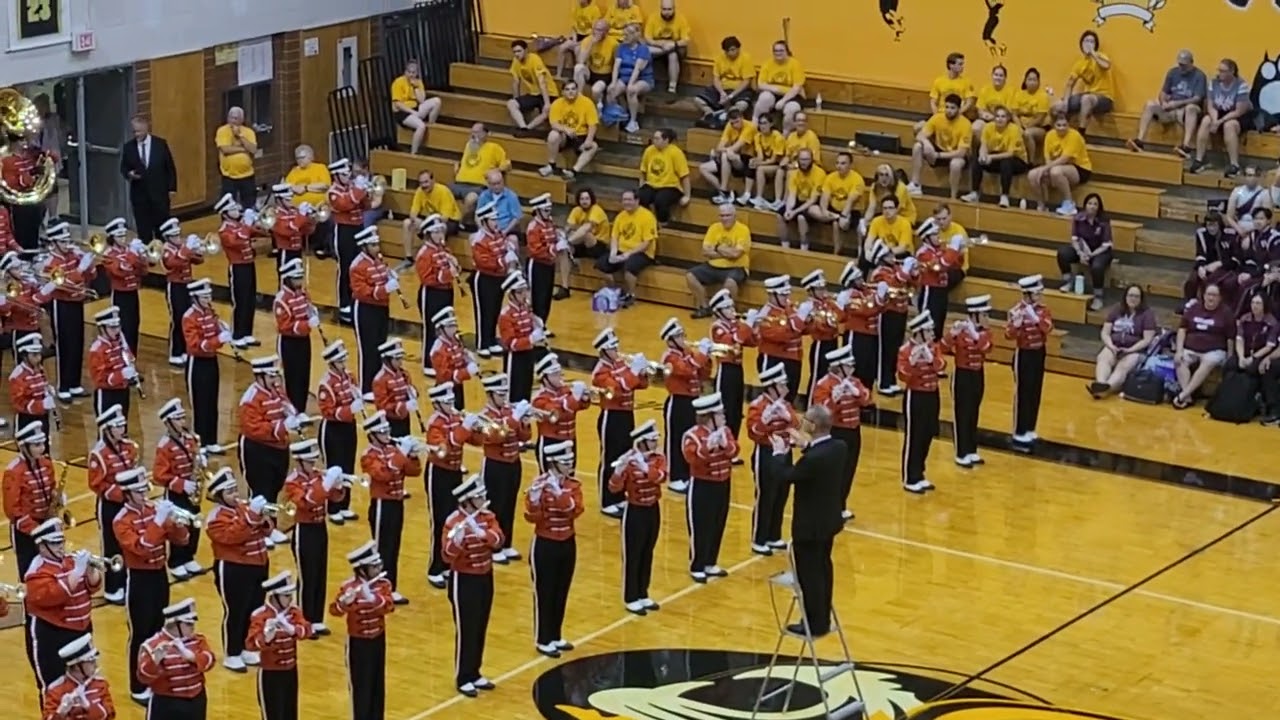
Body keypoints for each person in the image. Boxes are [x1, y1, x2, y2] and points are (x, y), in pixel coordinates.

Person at [114, 467, 192, 703]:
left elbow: (182, 540)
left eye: (143, 490)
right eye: (138, 492)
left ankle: (155, 676)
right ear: (127, 494)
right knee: (141, 633)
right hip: (139, 578)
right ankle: (137, 685)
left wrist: (177, 523)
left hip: (159, 574)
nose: (144, 495)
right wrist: (159, 522)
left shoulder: (152, 510)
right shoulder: (121, 520)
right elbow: (142, 547)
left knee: (159, 629)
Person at [767, 405, 845, 636]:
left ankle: (814, 624)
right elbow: (820, 453)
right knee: (823, 568)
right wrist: (806, 445)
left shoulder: (812, 460)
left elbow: (785, 477)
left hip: (809, 527)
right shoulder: (839, 447)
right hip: (829, 522)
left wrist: (780, 454)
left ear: (812, 425)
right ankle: (822, 616)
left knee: (809, 575)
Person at [204, 468, 272, 672]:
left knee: (254, 608)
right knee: (236, 611)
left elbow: (267, 530)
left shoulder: (243, 508)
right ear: (219, 496)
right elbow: (232, 537)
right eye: (229, 492)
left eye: (235, 490)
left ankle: (247, 646)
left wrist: (263, 517)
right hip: (234, 568)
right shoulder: (215, 517)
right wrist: (252, 517)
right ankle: (232, 652)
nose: (235, 495)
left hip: (258, 563)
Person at [23, 518, 101, 694]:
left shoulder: (71, 562)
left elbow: (92, 587)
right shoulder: (36, 572)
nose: (61, 547)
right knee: (54, 687)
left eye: (61, 542)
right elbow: (56, 595)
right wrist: (77, 572)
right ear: (42, 547)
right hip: (54, 634)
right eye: (55, 543)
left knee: (85, 683)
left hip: (81, 630)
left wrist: (91, 571)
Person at [443, 475, 503, 697]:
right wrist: (457, 540)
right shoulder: (452, 522)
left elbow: (499, 540)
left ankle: (475, 671)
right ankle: (463, 676)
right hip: (464, 580)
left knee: (480, 625)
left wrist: (481, 533)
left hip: (485, 576)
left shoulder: (487, 517)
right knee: (466, 628)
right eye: (478, 497)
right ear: (467, 501)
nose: (483, 499)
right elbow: (447, 556)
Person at [524, 441, 583, 657]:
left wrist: (558, 492)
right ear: (553, 464)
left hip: (567, 541)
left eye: (570, 461)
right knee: (544, 592)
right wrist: (534, 498)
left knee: (561, 590)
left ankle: (556, 635)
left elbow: (575, 510)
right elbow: (532, 517)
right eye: (565, 462)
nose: (569, 465)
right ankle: (542, 638)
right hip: (545, 543)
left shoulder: (572, 485)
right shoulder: (539, 483)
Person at [361, 411, 425, 603]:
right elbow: (383, 474)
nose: (387, 435)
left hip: (396, 501)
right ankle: (376, 587)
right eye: (382, 432)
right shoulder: (369, 454)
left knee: (393, 545)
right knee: (381, 548)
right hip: (382, 503)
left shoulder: (392, 450)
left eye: (387, 431)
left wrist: (412, 456)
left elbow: (414, 472)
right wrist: (401, 455)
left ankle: (390, 586)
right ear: (372, 434)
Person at [238, 356, 305, 539]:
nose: (275, 380)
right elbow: (252, 428)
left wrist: (293, 413)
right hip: (257, 449)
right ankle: (259, 530)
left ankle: (271, 526)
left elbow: (284, 402)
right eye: (271, 376)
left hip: (279, 447)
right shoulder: (251, 398)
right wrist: (283, 426)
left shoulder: (275, 388)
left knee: (274, 487)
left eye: (276, 376)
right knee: (261, 490)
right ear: (260, 377)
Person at [282, 440, 344, 635]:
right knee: (307, 576)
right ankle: (304, 620)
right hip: (304, 530)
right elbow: (307, 501)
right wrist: (326, 485)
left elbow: (335, 498)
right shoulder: (293, 481)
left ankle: (317, 618)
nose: (313, 464)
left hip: (320, 527)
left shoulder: (317, 476)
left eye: (314, 460)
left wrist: (338, 485)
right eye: (309, 461)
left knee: (320, 573)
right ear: (299, 462)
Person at [330, 542, 395, 720]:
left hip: (378, 640)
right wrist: (345, 602)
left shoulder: (383, 584)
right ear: (363, 569)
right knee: (361, 688)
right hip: (358, 643)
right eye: (374, 566)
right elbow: (334, 611)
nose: (379, 569)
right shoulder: (348, 587)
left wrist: (372, 597)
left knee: (376, 685)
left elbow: (389, 607)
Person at [591, 329, 652, 515]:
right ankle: (606, 500)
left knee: (623, 457)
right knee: (610, 458)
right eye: (613, 348)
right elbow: (618, 388)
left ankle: (618, 496)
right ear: (603, 350)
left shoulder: (620, 364)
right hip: (611, 416)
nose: (617, 350)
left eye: (616, 346)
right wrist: (633, 372)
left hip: (627, 414)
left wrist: (642, 372)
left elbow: (640, 385)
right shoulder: (600, 372)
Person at [475, 374, 534, 562]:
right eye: (500, 394)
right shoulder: (484, 416)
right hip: (495, 465)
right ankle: (493, 547)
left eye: (505, 393)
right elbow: (495, 436)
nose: (504, 398)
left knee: (509, 504)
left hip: (513, 463)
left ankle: (506, 543)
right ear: (491, 395)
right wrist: (515, 419)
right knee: (495, 506)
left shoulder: (510, 412)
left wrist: (524, 422)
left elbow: (524, 437)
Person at [425, 382, 478, 588]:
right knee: (440, 521)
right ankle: (435, 568)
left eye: (452, 401)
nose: (451, 405)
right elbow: (442, 449)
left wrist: (476, 429)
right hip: (438, 473)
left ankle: (447, 564)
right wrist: (464, 429)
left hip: (455, 471)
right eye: (447, 402)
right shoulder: (434, 423)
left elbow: (475, 441)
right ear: (438, 403)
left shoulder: (456, 418)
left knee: (453, 520)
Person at [608, 421, 665, 614]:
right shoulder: (629, 461)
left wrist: (644, 467)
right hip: (635, 511)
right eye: (652, 441)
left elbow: (661, 477)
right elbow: (614, 488)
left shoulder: (657, 458)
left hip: (653, 509)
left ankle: (643, 592)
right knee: (633, 555)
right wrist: (618, 470)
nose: (656, 443)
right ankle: (630, 596)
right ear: (642, 442)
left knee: (648, 551)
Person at [682, 392, 739, 581]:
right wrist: (709, 446)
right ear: (709, 417)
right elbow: (692, 458)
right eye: (720, 414)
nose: (724, 416)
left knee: (717, 522)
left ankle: (710, 561)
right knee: (701, 525)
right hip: (702, 486)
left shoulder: (725, 432)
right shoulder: (692, 435)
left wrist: (724, 444)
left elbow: (734, 450)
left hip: (723, 483)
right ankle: (696, 564)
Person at [808, 345, 870, 519]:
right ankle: (827, 507)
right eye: (849, 366)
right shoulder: (824, 384)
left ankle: (841, 505)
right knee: (833, 472)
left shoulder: (854, 382)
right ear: (839, 367)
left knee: (849, 470)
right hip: (836, 432)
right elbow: (821, 412)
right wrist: (834, 399)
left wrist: (857, 393)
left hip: (853, 431)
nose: (852, 369)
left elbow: (867, 399)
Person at [151, 398, 210, 580]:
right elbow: (159, 475)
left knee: (194, 524)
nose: (182, 422)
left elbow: (194, 459)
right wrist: (181, 484)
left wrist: (201, 462)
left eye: (183, 418)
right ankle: (176, 560)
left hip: (192, 491)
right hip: (176, 493)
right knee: (178, 526)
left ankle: (189, 556)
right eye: (178, 419)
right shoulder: (165, 446)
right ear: (168, 422)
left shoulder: (190, 439)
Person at [85, 404, 137, 603]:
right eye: (117, 426)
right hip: (109, 504)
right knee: (111, 545)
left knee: (127, 542)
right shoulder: (99, 454)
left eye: (123, 425)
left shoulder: (128, 446)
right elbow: (96, 484)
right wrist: (121, 493)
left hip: (127, 502)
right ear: (107, 428)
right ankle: (112, 587)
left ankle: (124, 581)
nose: (122, 429)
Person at [246, 571, 313, 720]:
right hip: (270, 674)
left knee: (290, 713)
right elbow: (251, 644)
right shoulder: (260, 615)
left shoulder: (294, 612)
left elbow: (307, 630)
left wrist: (291, 628)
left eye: (290, 596)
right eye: (286, 596)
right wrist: (266, 637)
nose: (290, 599)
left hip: (290, 671)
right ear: (275, 596)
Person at [746, 364, 797, 555]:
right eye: (782, 385)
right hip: (766, 453)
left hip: (784, 451)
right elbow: (753, 433)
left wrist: (787, 417)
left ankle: (774, 535)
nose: (786, 388)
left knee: (781, 493)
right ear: (772, 386)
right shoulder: (758, 406)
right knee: (765, 496)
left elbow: (796, 425)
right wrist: (764, 421)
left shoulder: (785, 404)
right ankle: (759, 538)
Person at [137, 598, 217, 719]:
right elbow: (143, 678)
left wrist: (193, 657)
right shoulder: (152, 645)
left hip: (196, 701)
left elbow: (210, 661)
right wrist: (154, 662)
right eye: (188, 624)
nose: (193, 627)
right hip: (167, 704)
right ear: (175, 624)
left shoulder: (197, 641)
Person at [42, 222, 96, 399]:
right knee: (64, 344)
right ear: (54, 242)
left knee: (77, 342)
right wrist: (80, 269)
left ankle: (74, 383)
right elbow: (65, 284)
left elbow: (89, 277)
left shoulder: (73, 255)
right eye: (63, 242)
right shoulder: (51, 262)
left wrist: (88, 264)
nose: (67, 244)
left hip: (77, 302)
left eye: (67, 240)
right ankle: (63, 386)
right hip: (62, 304)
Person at [659, 318, 712, 494]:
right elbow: (687, 370)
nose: (683, 339)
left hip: (692, 400)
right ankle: (674, 476)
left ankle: (686, 473)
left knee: (689, 437)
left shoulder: (688, 352)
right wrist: (702, 355)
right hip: (678, 401)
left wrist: (708, 359)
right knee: (675, 439)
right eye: (679, 336)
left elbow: (702, 374)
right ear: (670, 339)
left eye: (683, 335)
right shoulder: (669, 357)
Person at [943, 296, 994, 466]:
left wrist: (975, 335)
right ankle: (961, 451)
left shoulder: (985, 332)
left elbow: (987, 348)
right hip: (962, 375)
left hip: (977, 373)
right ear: (975, 315)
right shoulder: (961, 330)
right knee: (962, 414)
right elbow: (942, 348)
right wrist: (951, 335)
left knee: (973, 411)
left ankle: (971, 449)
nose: (987, 319)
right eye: (984, 315)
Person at [3, 421, 58, 576]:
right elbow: (12, 510)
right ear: (24, 447)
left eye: (42, 444)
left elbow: (51, 486)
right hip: (25, 529)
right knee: (29, 571)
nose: (41, 448)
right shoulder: (14, 471)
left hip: (46, 521)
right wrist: (34, 529)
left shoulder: (46, 463)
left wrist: (56, 497)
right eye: (36, 445)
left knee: (50, 567)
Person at [898, 313, 945, 493]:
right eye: (929, 330)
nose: (932, 333)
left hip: (932, 393)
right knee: (914, 436)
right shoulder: (905, 351)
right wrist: (913, 361)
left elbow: (941, 366)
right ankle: (910, 477)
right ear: (919, 332)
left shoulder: (933, 347)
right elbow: (903, 376)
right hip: (915, 396)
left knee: (928, 432)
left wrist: (931, 358)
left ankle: (920, 472)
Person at [1126, 50, 1206, 156]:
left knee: (1191, 108)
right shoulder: (1173, 72)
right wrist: (1163, 102)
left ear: (1192, 63)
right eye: (1180, 64)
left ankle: (1186, 146)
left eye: (1184, 65)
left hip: (1185, 111)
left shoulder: (1199, 76)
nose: (1181, 68)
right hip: (1170, 108)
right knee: (1150, 104)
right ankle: (1140, 140)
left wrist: (1177, 104)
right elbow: (1163, 92)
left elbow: (1197, 98)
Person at [316, 340, 362, 523]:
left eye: (345, 360)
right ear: (332, 362)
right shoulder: (325, 384)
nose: (344, 364)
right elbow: (328, 411)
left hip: (349, 426)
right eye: (341, 361)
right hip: (332, 429)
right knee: (334, 468)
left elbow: (354, 393)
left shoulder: (349, 377)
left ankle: (344, 504)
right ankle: (332, 507)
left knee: (348, 465)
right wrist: (349, 409)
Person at [1006, 275, 1054, 444]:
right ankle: (1019, 430)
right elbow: (1008, 335)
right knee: (1023, 392)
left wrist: (1036, 319)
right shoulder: (1015, 311)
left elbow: (1048, 328)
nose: (1039, 296)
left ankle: (1030, 427)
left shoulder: (1043, 310)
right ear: (1027, 294)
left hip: (1039, 352)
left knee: (1035, 390)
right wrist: (1017, 325)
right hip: (1024, 354)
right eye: (1036, 294)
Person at [182, 278, 229, 446]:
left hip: (211, 360)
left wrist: (223, 333)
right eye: (204, 297)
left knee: (211, 400)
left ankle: (212, 440)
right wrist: (218, 340)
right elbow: (195, 345)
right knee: (200, 403)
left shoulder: (210, 312)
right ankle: (200, 442)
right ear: (195, 297)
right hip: (197, 363)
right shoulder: (189, 316)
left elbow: (214, 335)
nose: (208, 300)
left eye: (209, 296)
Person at [213, 193, 263, 347]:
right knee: (240, 301)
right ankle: (237, 334)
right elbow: (237, 241)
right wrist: (247, 225)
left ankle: (247, 333)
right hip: (237, 268)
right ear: (225, 213)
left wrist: (258, 221)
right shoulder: (224, 230)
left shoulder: (240, 225)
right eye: (233, 209)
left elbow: (260, 232)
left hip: (249, 265)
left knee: (250, 300)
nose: (238, 211)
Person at [1091, 285, 1159, 399]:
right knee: (1103, 357)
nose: (1133, 299)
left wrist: (1130, 350)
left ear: (1141, 299)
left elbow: (1147, 339)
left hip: (1135, 349)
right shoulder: (1117, 309)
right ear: (1125, 297)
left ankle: (1107, 387)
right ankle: (1100, 383)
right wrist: (1111, 346)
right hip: (1115, 346)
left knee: (1124, 366)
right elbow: (1105, 332)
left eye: (1136, 296)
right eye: (1130, 295)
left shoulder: (1147, 314)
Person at [1173, 283, 1233, 408]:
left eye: (1215, 295)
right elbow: (1182, 329)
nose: (1211, 298)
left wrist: (1230, 357)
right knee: (1180, 360)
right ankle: (1187, 396)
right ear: (1204, 296)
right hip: (1191, 348)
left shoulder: (1226, 312)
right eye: (1209, 294)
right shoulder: (1194, 308)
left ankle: (1183, 396)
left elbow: (1230, 337)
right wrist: (1179, 350)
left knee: (1208, 362)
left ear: (1219, 298)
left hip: (1214, 350)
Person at [708, 288, 756, 445]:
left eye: (732, 307)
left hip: (738, 369)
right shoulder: (717, 327)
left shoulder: (736, 325)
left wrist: (753, 327)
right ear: (719, 311)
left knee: (736, 409)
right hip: (725, 370)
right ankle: (721, 442)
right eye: (728, 308)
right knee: (725, 408)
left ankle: (732, 443)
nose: (732, 311)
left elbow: (752, 342)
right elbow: (733, 342)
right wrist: (747, 325)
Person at [471, 199, 518, 357]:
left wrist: (509, 250)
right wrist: (502, 260)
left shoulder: (498, 235)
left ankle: (491, 340)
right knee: (483, 311)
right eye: (493, 219)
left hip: (499, 277)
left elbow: (503, 248)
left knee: (494, 310)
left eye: (496, 219)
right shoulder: (479, 239)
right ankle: (481, 343)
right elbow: (483, 261)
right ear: (484, 221)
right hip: (484, 278)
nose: (496, 222)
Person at [350, 226, 394, 391]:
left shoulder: (379, 260)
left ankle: (377, 385)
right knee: (368, 348)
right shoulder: (357, 265)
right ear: (364, 246)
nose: (377, 248)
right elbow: (362, 291)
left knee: (380, 346)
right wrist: (384, 289)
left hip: (381, 307)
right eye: (373, 245)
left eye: (377, 244)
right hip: (365, 309)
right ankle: (366, 387)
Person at [1189, 59, 1251, 177]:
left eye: (1223, 71)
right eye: (1219, 70)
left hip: (1237, 115)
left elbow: (1239, 110)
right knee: (1206, 121)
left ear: (1232, 71)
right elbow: (1210, 106)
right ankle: (1199, 159)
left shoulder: (1241, 85)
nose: (1220, 73)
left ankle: (1235, 165)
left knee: (1229, 125)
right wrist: (1215, 120)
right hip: (1218, 112)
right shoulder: (1214, 82)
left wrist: (1220, 122)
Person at [328, 159, 373, 322]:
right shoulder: (334, 191)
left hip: (358, 227)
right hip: (344, 231)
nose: (348, 177)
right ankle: (344, 303)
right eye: (344, 174)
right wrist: (359, 190)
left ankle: (356, 297)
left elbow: (366, 206)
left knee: (358, 266)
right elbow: (346, 204)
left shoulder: (352, 188)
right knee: (345, 266)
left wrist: (366, 193)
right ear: (336, 175)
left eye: (348, 174)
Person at [120, 114, 177, 243]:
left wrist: (172, 188)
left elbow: (170, 167)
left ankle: (163, 253)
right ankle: (147, 255)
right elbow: (123, 168)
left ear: (146, 128)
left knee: (162, 228)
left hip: (159, 194)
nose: (136, 134)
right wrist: (130, 174)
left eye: (138, 131)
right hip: (140, 196)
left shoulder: (160, 144)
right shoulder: (128, 147)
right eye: (134, 131)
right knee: (143, 230)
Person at [596, 189, 658, 306]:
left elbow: (646, 243)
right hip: (622, 250)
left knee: (630, 266)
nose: (626, 202)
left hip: (642, 252)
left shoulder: (647, 217)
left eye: (629, 200)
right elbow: (614, 236)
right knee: (601, 264)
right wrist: (613, 253)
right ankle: (614, 291)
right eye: (624, 200)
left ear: (637, 201)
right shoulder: (620, 216)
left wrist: (628, 254)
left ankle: (631, 295)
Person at [687, 203, 751, 317]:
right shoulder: (714, 228)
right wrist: (727, 253)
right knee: (690, 275)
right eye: (722, 216)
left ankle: (730, 311)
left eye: (728, 215)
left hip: (736, 266)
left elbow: (736, 254)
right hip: (713, 266)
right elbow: (705, 251)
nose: (724, 218)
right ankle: (704, 307)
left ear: (734, 216)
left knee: (731, 282)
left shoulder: (743, 230)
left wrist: (717, 247)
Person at [531, 354, 592, 471]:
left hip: (570, 441)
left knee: (568, 479)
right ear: (545, 378)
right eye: (554, 374)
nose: (559, 377)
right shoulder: (539, 399)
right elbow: (557, 413)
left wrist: (584, 398)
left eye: (559, 373)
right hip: (551, 443)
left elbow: (578, 406)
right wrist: (574, 397)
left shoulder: (565, 390)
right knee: (550, 481)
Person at [98, 219, 149, 356]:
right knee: (123, 329)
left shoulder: (129, 251)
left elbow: (144, 271)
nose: (123, 239)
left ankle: (132, 361)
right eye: (119, 236)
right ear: (112, 238)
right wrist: (133, 254)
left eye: (124, 235)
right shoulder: (109, 255)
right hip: (121, 295)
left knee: (134, 327)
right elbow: (121, 270)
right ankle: (122, 362)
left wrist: (142, 257)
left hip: (133, 292)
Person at [907, 93, 972, 199]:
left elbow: (961, 152)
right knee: (918, 146)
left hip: (954, 154)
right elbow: (920, 135)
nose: (949, 110)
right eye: (947, 107)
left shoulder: (966, 124)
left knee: (956, 164)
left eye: (952, 108)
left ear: (959, 109)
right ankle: (915, 184)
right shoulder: (937, 118)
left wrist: (938, 155)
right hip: (939, 149)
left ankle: (953, 196)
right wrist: (927, 143)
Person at [1056, 193, 1114, 310]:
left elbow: (1106, 244)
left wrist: (1091, 255)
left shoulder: (1104, 221)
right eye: (1089, 203)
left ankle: (1098, 297)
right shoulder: (1078, 219)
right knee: (1062, 253)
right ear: (1085, 205)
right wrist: (1080, 253)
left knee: (1097, 267)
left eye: (1095, 204)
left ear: (1099, 207)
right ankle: (1069, 281)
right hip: (1083, 251)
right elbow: (1074, 239)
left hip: (1100, 252)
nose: (1092, 206)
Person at [414, 215, 461, 358]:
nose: (440, 235)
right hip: (431, 294)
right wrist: (448, 274)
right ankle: (428, 362)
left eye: (441, 231)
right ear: (428, 234)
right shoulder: (424, 253)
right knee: (431, 329)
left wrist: (456, 266)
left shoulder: (444, 249)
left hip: (446, 291)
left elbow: (452, 269)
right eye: (436, 232)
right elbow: (427, 279)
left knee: (445, 327)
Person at [1028, 112, 1092, 216]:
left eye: (1064, 125)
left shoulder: (1074, 135)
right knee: (1032, 174)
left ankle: (1069, 204)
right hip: (1055, 165)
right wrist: (1045, 169)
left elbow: (1065, 159)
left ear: (1069, 125)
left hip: (1079, 168)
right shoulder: (1050, 135)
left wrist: (1045, 169)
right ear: (1054, 125)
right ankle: (1041, 205)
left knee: (1055, 172)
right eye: (1059, 125)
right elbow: (1047, 157)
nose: (1061, 128)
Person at [161, 219, 206, 366]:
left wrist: (199, 250)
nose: (177, 238)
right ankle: (175, 353)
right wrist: (187, 248)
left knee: (187, 319)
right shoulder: (167, 250)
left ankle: (186, 350)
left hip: (187, 286)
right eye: (174, 236)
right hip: (175, 287)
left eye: (178, 235)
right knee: (177, 319)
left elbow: (198, 261)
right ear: (167, 237)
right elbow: (174, 263)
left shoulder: (181, 248)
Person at [964, 106, 1028, 208]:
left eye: (1003, 116)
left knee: (1006, 162)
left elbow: (1010, 154)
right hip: (996, 156)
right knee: (977, 160)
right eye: (997, 116)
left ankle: (1005, 196)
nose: (1000, 119)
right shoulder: (988, 127)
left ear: (1008, 119)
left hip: (1017, 160)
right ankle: (974, 193)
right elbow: (983, 145)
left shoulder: (1014, 129)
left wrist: (991, 158)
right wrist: (982, 155)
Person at [1230, 293, 1280, 423]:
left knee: (1261, 368)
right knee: (1230, 365)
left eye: (1258, 303)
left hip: (1259, 354)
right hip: (1249, 353)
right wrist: (1242, 357)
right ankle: (1229, 403)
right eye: (1253, 303)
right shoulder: (1245, 319)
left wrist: (1263, 357)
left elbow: (1270, 346)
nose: (1255, 306)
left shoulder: (1271, 322)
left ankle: (1272, 410)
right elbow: (1239, 340)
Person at [911, 216, 966, 334]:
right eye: (935, 234)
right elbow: (940, 266)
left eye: (937, 233)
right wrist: (953, 248)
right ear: (926, 238)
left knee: (939, 328)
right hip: (930, 292)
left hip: (942, 292)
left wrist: (959, 252)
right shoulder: (923, 253)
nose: (938, 237)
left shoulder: (940, 249)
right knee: (929, 327)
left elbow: (955, 265)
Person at [755, 275, 806, 402]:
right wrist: (796, 322)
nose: (787, 298)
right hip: (774, 359)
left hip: (794, 359)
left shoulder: (791, 309)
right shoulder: (766, 314)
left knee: (789, 398)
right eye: (783, 295)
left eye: (787, 295)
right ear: (772, 295)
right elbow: (782, 336)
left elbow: (805, 329)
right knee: (773, 398)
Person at [837, 263, 886, 392]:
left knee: (869, 370)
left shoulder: (867, 292)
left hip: (871, 336)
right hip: (857, 337)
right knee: (856, 368)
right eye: (858, 279)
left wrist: (884, 296)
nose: (862, 281)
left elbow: (881, 308)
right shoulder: (848, 295)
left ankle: (866, 396)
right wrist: (879, 297)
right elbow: (866, 310)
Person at [42, 635, 115, 720]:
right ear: (77, 666)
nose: (95, 665)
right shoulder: (56, 690)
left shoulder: (100, 684)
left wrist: (89, 707)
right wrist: (61, 713)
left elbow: (110, 714)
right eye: (91, 661)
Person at [1054, 30, 1114, 132]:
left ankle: (1081, 133)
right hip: (1088, 95)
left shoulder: (1101, 56)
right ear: (1081, 44)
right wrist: (1065, 102)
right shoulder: (1079, 64)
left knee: (1086, 99)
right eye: (1086, 41)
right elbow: (1070, 84)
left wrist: (1093, 54)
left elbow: (1106, 66)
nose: (1088, 44)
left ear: (1095, 45)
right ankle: (1056, 133)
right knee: (1057, 105)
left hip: (1104, 97)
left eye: (1092, 42)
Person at [498, 274, 544, 402]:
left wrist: (536, 325)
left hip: (528, 353)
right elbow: (511, 344)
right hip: (515, 358)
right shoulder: (506, 315)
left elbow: (530, 325)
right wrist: (531, 339)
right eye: (520, 292)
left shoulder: (526, 308)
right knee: (514, 392)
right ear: (511, 295)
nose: (524, 295)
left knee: (526, 389)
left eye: (525, 290)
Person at [452, 124, 511, 224]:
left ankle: (458, 223)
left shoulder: (494, 147)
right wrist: (458, 165)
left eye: (477, 132)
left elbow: (507, 164)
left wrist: (495, 171)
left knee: (471, 199)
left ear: (485, 133)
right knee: (442, 192)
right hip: (459, 183)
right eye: (472, 132)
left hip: (478, 185)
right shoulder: (469, 145)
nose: (474, 135)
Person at [88, 307, 138, 423]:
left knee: (122, 426)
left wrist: (130, 368)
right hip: (107, 394)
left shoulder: (120, 343)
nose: (117, 331)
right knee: (106, 430)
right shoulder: (97, 349)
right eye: (112, 327)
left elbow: (128, 358)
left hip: (123, 390)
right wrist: (122, 374)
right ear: (102, 328)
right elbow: (100, 379)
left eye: (118, 326)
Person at [1184, 212, 1244, 309]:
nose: (1212, 228)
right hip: (1207, 265)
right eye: (1209, 225)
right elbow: (1200, 254)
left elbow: (1236, 259)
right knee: (1192, 279)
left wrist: (1219, 263)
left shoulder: (1231, 234)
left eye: (1214, 225)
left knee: (1217, 281)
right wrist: (1200, 267)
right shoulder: (1201, 234)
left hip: (1226, 267)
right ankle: (1191, 302)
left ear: (1219, 224)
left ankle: (1215, 306)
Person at [543, 81, 601, 180]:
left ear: (577, 90)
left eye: (573, 89)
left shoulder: (587, 103)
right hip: (564, 136)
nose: (571, 92)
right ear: (562, 92)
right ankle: (551, 165)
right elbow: (554, 124)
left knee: (593, 146)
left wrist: (589, 139)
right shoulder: (557, 103)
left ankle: (573, 171)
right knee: (553, 135)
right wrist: (565, 129)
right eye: (567, 89)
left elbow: (593, 124)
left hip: (581, 135)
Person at [284, 144, 332, 257]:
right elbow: (286, 186)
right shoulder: (294, 171)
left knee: (326, 218)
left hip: (318, 206)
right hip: (296, 208)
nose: (299, 161)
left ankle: (321, 247)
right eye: (297, 158)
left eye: (302, 157)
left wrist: (305, 188)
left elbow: (324, 185)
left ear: (310, 157)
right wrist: (295, 189)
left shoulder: (320, 168)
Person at [800, 270, 842, 398]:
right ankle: (810, 404)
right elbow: (820, 327)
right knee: (818, 376)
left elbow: (842, 316)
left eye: (823, 288)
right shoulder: (808, 306)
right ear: (811, 291)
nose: (823, 291)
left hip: (833, 342)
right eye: (819, 289)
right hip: (820, 344)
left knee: (830, 375)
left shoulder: (828, 303)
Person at [814, 152, 866, 255]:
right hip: (834, 210)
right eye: (837, 163)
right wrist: (824, 210)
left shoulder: (857, 179)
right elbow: (824, 198)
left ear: (850, 165)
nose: (839, 166)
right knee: (812, 210)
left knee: (838, 223)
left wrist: (843, 215)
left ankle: (837, 251)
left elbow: (851, 201)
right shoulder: (830, 177)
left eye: (843, 163)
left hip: (851, 210)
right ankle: (836, 217)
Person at [523, 193, 564, 325]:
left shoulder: (549, 223)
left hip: (549, 264)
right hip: (536, 265)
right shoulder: (533, 227)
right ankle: (534, 324)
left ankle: (542, 324)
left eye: (549, 209)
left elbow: (551, 238)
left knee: (546, 296)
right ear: (538, 210)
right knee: (537, 296)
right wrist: (555, 248)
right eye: (545, 210)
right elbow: (536, 250)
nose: (548, 212)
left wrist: (559, 237)